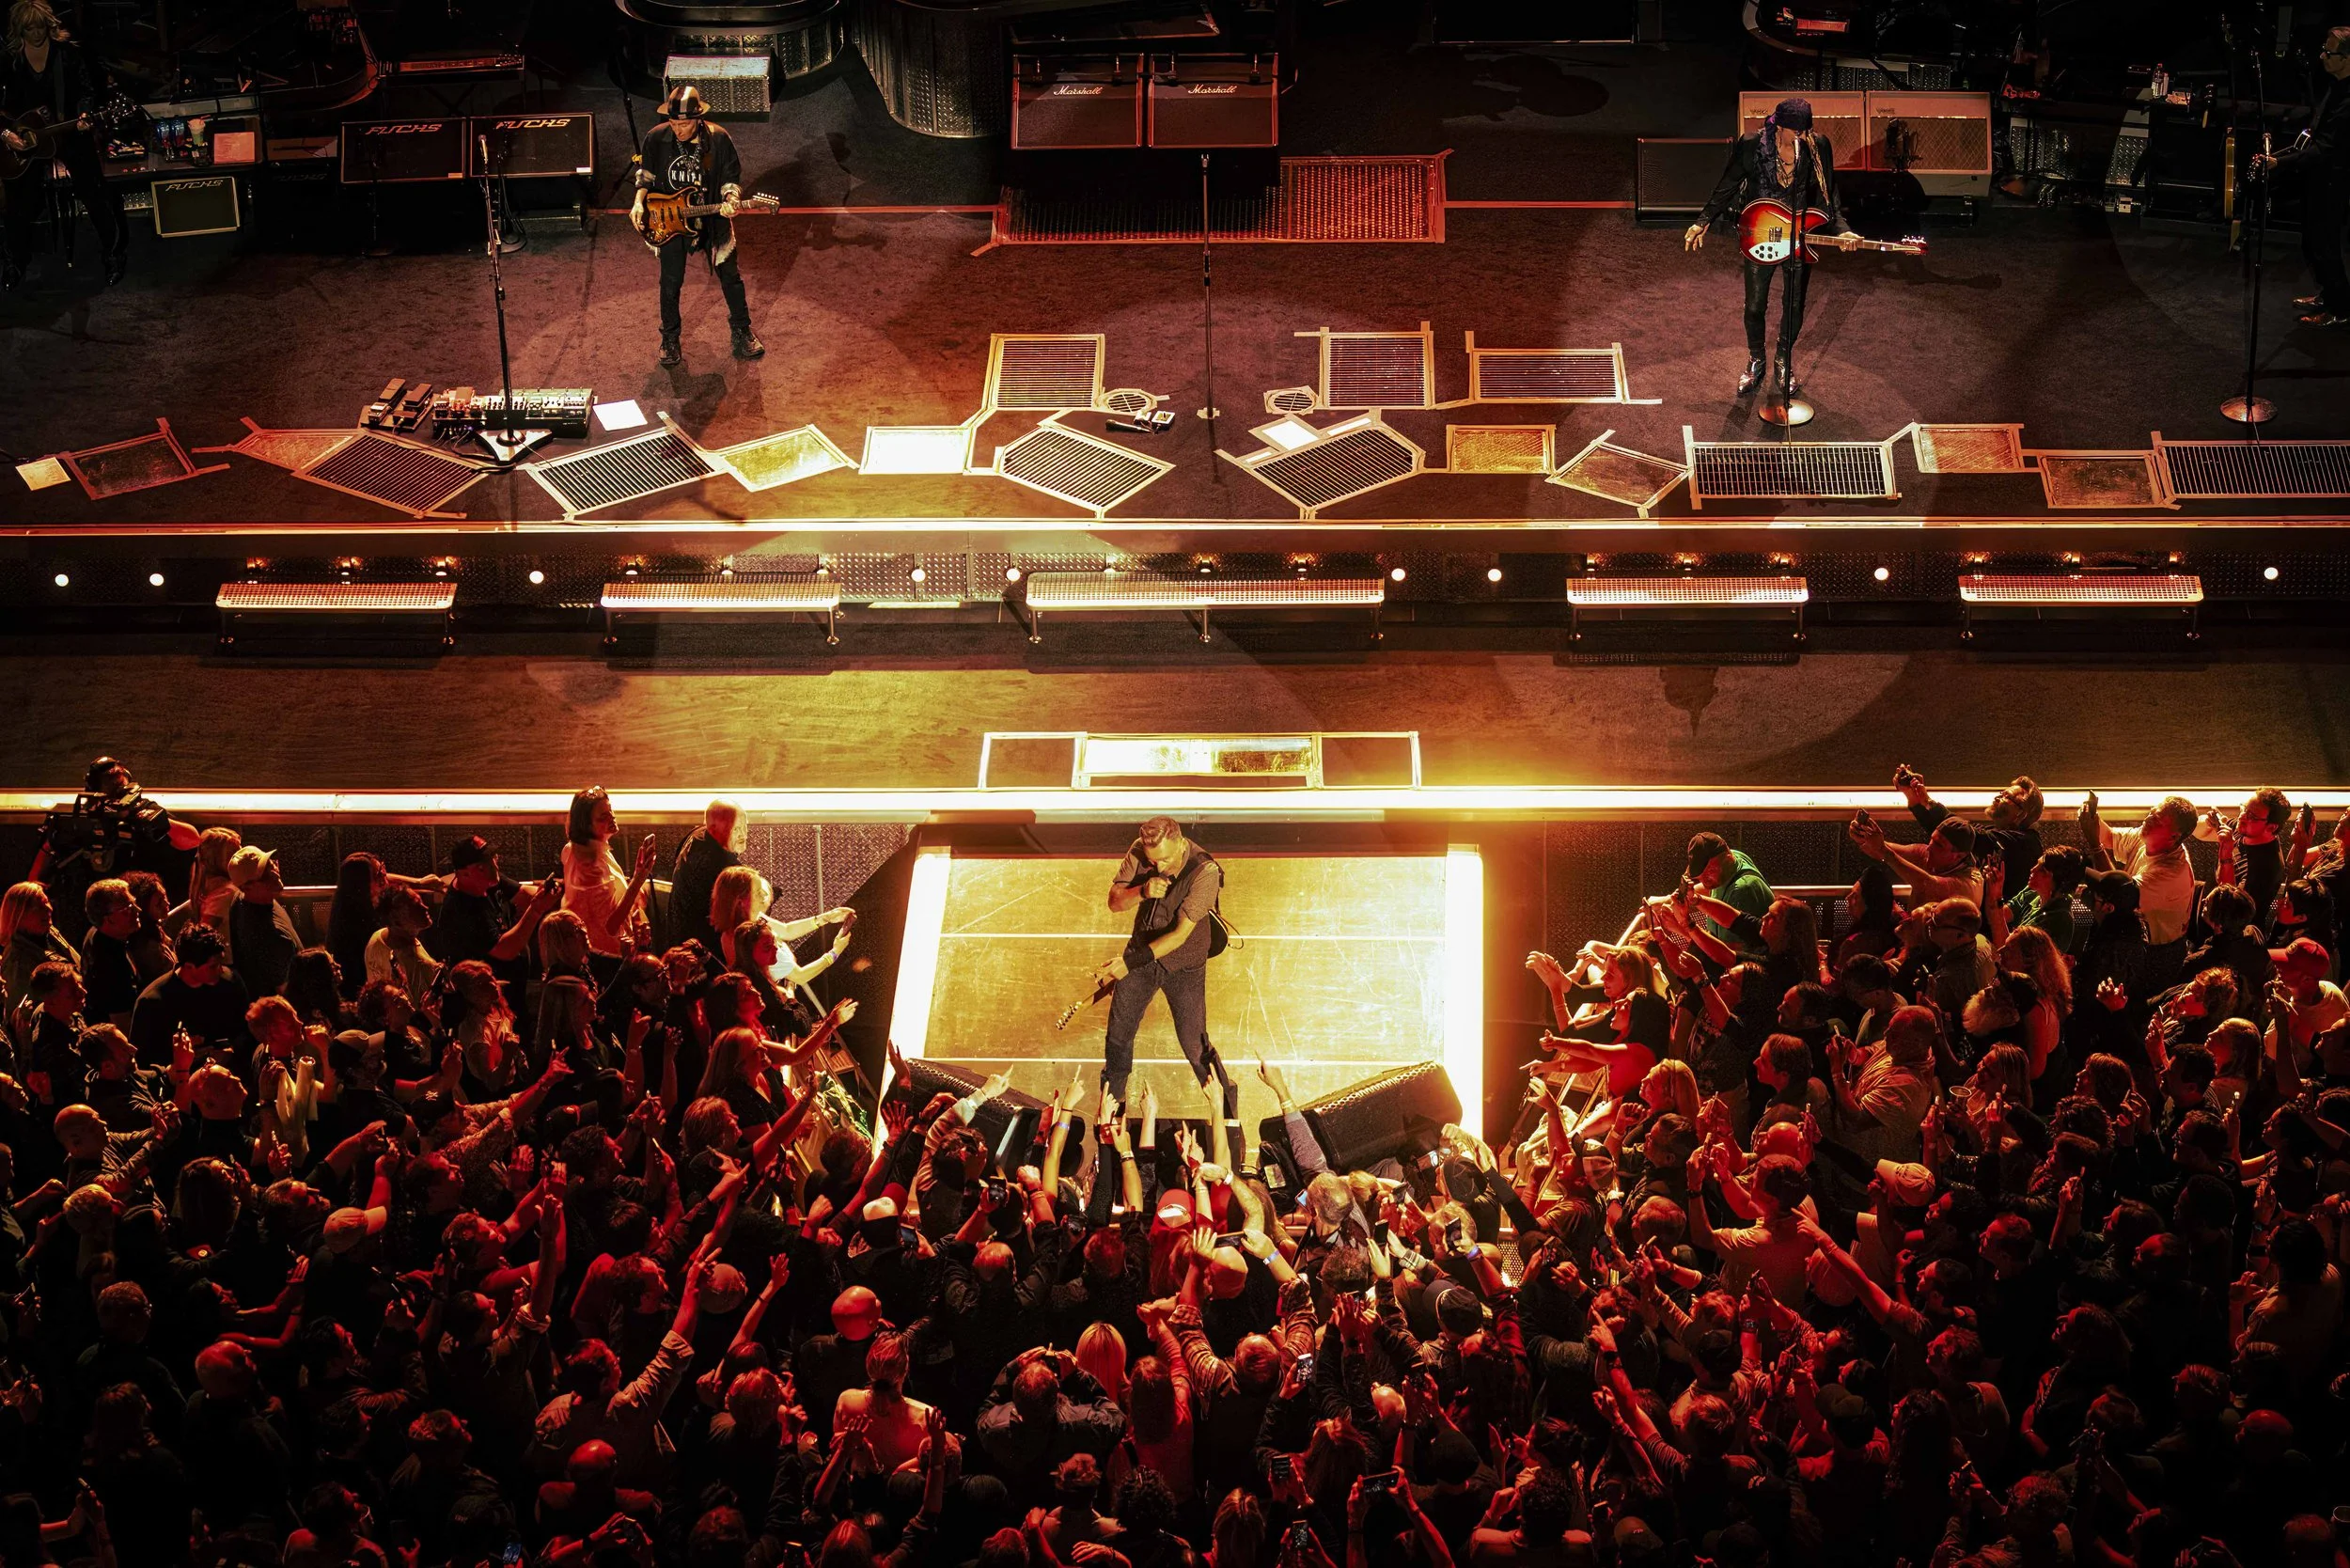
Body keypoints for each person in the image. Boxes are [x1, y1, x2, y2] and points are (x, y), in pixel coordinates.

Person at [1684, 96, 1862, 398]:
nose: (1802, 137)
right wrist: (1704, 220)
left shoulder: (1817, 146)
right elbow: (1728, 183)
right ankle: (1756, 359)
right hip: (1760, 235)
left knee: (1793, 304)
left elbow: (1827, 196)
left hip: (1796, 238)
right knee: (1755, 305)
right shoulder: (1753, 144)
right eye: (1796, 131)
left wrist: (1842, 231)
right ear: (1779, 126)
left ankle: (1784, 359)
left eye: (1806, 130)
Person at [1091, 817, 1230, 1112]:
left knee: (1195, 1045)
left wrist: (1127, 963)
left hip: (1182, 963)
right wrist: (1141, 891)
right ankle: (1110, 1116)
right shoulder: (1142, 851)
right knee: (1118, 1040)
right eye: (1153, 861)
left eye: (1165, 859)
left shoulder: (1205, 871)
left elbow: (1179, 936)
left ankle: (1227, 1114)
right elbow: (1115, 902)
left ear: (1181, 843)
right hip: (1141, 953)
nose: (1159, 866)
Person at [630, 85, 762, 367]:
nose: (679, 129)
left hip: (711, 217)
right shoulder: (656, 138)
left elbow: (730, 179)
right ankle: (670, 338)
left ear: (699, 118)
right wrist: (639, 202)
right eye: (674, 123)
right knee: (670, 281)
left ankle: (742, 329)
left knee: (730, 276)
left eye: (685, 123)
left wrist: (731, 199)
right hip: (671, 221)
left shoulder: (718, 139)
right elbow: (646, 177)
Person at [0, 0, 125, 289]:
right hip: (25, 141)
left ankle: (113, 254)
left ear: (49, 25)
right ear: (19, 29)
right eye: (29, 28)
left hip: (67, 133)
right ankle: (14, 262)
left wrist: (84, 114)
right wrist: (7, 135)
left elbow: (86, 90)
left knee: (95, 193)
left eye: (40, 27)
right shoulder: (9, 60)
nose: (35, 33)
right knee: (18, 203)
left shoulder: (67, 55)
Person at [2253, 26, 2350, 327]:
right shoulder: (2336, 86)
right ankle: (2329, 293)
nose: (2322, 55)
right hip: (2320, 176)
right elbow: (2314, 135)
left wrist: (2280, 164)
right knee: (2312, 240)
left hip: (2333, 180)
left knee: (2324, 244)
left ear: (2347, 59)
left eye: (2329, 51)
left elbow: (2326, 148)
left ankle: (2340, 308)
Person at [668, 802, 741, 955]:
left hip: (682, 939)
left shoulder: (695, 836)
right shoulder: (723, 864)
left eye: (745, 826)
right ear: (713, 829)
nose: (744, 834)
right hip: (703, 950)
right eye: (736, 829)